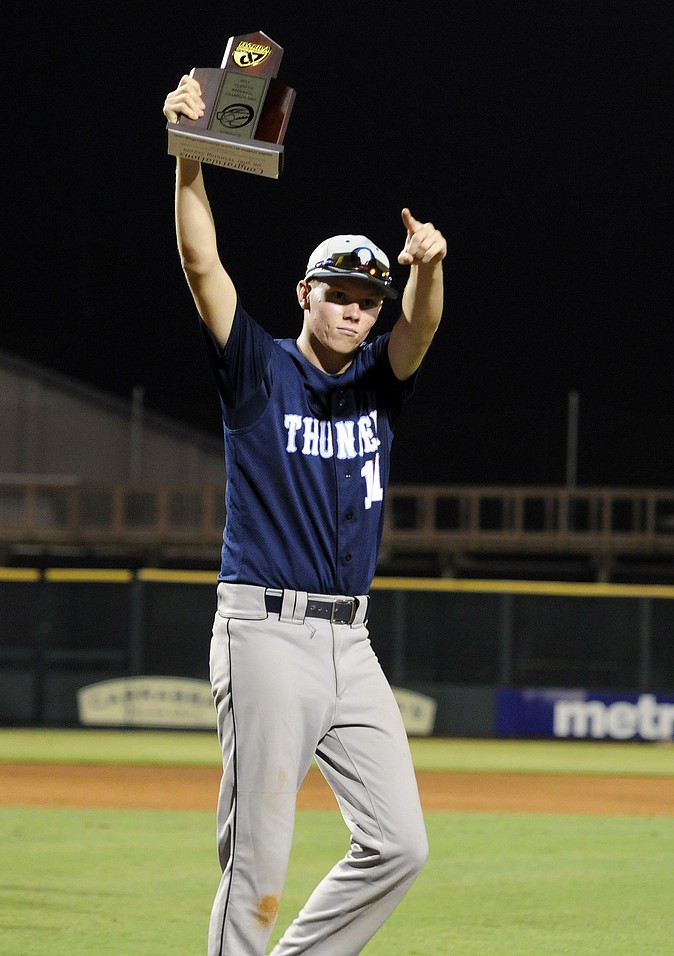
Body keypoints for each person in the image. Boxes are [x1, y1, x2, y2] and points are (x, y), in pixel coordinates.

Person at [163, 74, 447, 956]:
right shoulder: (258, 370)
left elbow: (422, 330)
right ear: (304, 294)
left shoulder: (378, 382)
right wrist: (188, 167)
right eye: (340, 295)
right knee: (259, 862)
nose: (357, 311)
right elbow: (203, 266)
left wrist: (428, 271)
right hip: (265, 634)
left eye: (369, 299)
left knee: (400, 844)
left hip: (351, 644)